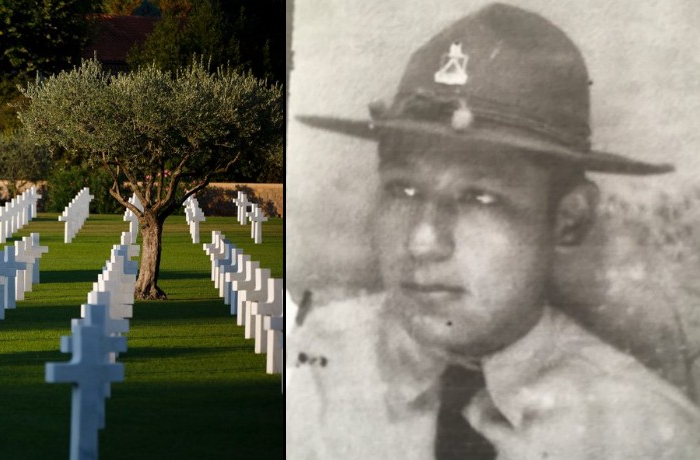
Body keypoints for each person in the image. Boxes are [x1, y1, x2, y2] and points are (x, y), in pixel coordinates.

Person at [286, 3, 700, 459]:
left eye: (480, 197)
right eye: (403, 189)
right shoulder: (297, 372)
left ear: (570, 219)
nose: (423, 241)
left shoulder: (646, 436)